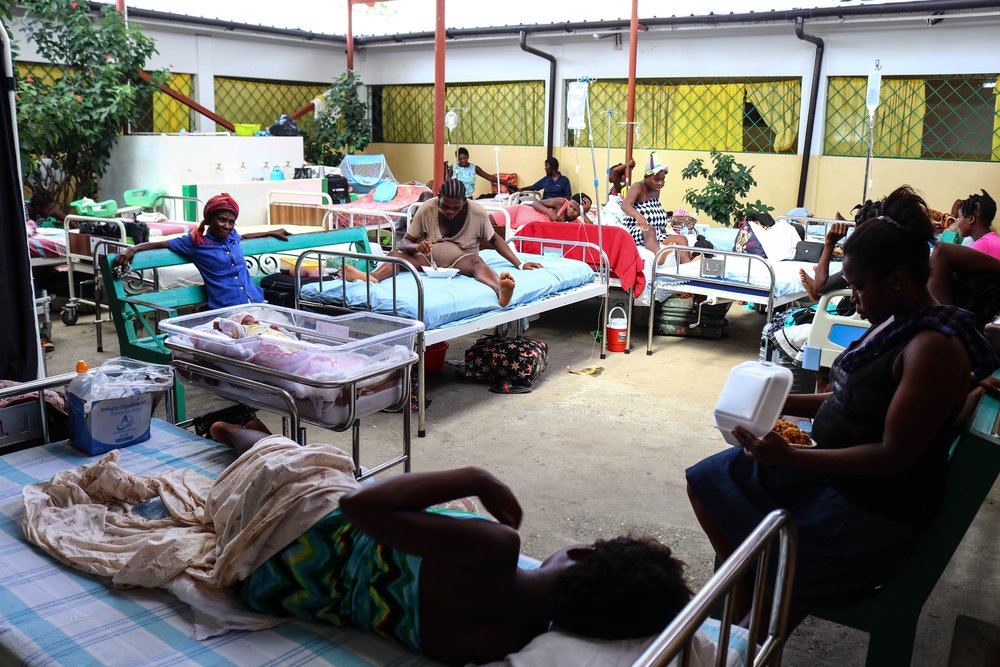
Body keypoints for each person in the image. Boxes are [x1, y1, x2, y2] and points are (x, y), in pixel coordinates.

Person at [686, 186, 999, 623]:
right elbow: (845, 397)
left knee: (766, 585)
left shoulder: (932, 348)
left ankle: (757, 614)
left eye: (858, 286)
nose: (853, 297)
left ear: (897, 279)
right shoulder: (895, 321)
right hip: (834, 475)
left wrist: (792, 457)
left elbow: (894, 457)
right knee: (709, 479)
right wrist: (772, 399)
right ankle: (752, 586)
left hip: (871, 509)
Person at [206, 421, 693, 665]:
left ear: (583, 553)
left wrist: (476, 478)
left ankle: (229, 428)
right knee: (313, 471)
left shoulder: (493, 551)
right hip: (273, 588)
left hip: (294, 531)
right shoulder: (501, 641)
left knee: (314, 463)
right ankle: (246, 440)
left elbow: (360, 507)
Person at [344, 179, 543, 307]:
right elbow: (405, 242)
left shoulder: (478, 212)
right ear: (438, 199)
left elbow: (495, 239)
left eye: (455, 208)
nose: (449, 211)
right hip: (427, 261)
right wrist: (416, 247)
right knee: (395, 256)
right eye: (445, 206)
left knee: (477, 263)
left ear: (464, 202)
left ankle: (501, 290)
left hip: (461, 260)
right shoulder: (427, 208)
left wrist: (520, 264)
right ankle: (372, 277)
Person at [112, 193, 290, 310]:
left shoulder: (232, 236)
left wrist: (270, 232)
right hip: (229, 308)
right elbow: (162, 244)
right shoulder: (196, 243)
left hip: (255, 301)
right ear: (210, 220)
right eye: (221, 220)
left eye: (231, 222)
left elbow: (243, 236)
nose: (227, 226)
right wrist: (133, 249)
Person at [620, 153, 691, 263]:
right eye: (656, 179)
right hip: (638, 230)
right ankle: (659, 254)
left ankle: (687, 266)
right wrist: (639, 217)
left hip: (657, 233)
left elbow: (653, 211)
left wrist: (672, 219)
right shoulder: (638, 187)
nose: (660, 183)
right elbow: (625, 205)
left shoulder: (655, 191)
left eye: (663, 179)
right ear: (646, 177)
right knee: (649, 229)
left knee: (682, 239)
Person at [447, 147, 517, 198]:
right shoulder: (452, 168)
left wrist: (504, 182)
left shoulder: (474, 168)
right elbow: (447, 182)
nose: (463, 160)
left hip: (468, 197)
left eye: (465, 158)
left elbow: (489, 177)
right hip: (455, 197)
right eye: (460, 159)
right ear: (457, 159)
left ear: (468, 157)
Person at [954, 189, 999, 258]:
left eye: (959, 217)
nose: (956, 222)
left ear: (971, 219)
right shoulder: (995, 239)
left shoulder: (982, 245)